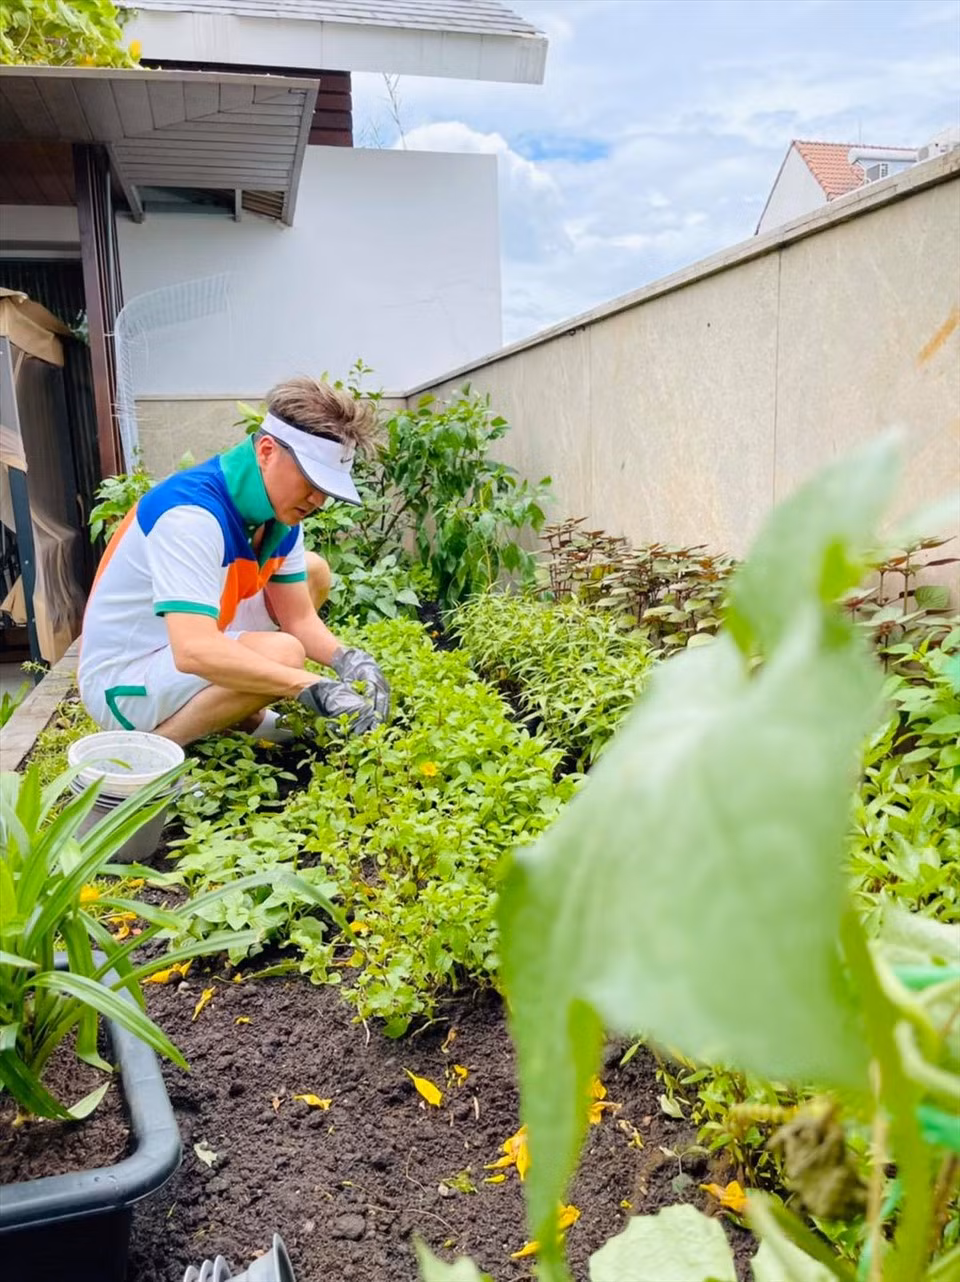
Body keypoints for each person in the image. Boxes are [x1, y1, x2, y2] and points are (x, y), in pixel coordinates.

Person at [77, 377, 389, 746]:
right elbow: (193, 650)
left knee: (314, 571)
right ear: (267, 451)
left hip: (178, 649)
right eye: (310, 480)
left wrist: (349, 660)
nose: (317, 500)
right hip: (124, 681)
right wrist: (308, 685)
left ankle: (237, 713)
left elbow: (299, 618)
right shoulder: (190, 515)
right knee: (284, 655)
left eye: (326, 489)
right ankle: (154, 749)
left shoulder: (281, 514)